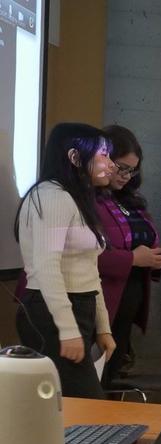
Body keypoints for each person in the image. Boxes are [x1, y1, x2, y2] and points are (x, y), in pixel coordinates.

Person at [12, 123, 116, 397]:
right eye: (103, 154)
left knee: (75, 403)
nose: (110, 163)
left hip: (76, 307)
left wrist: (102, 327)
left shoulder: (75, 198)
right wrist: (67, 330)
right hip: (49, 311)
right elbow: (47, 267)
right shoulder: (52, 197)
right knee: (84, 402)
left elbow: (89, 270)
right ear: (74, 157)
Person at [95, 125, 161, 385]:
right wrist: (134, 259)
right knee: (94, 381)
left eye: (132, 169)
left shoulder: (130, 200)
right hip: (100, 300)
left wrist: (153, 257)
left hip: (129, 297)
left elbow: (145, 238)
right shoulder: (87, 200)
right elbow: (84, 255)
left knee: (113, 374)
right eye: (121, 167)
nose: (126, 175)